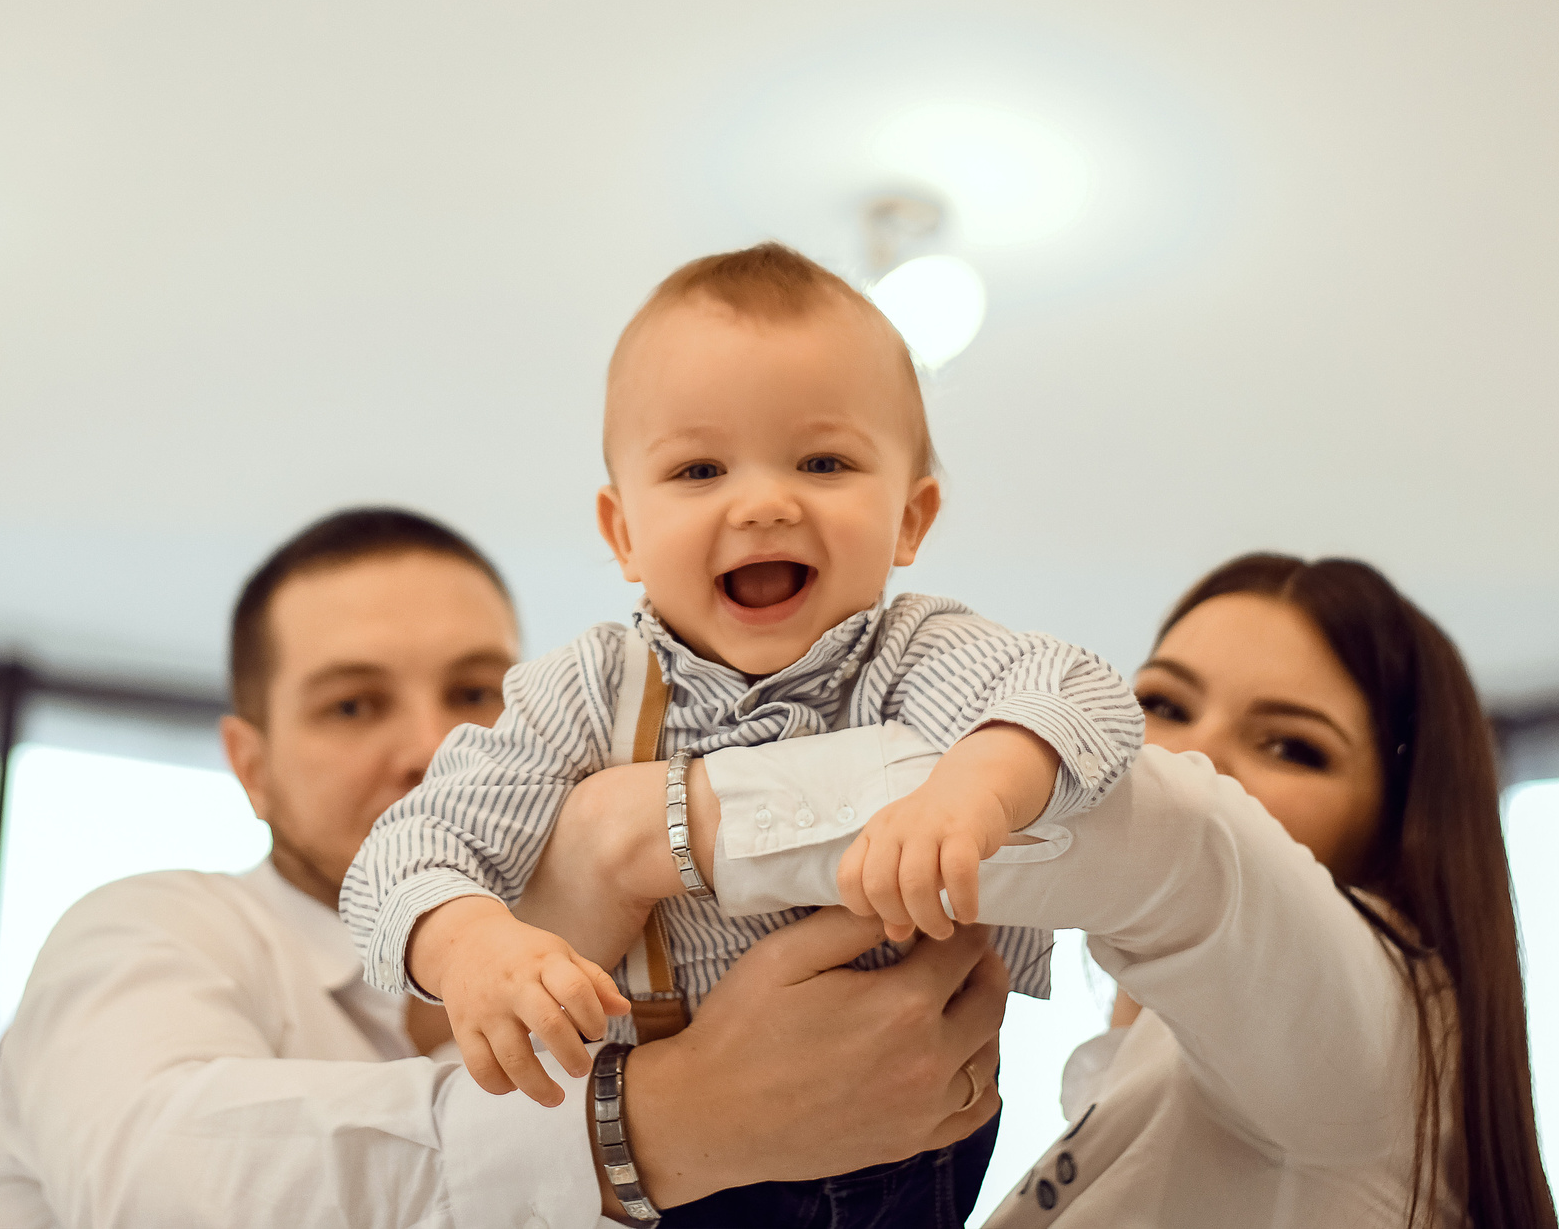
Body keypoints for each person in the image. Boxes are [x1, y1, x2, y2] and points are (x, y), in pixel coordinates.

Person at [340, 245, 1144, 1226]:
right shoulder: (590, 693)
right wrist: (471, 944)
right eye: (698, 468)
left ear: (910, 517)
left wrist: (972, 789)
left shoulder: (916, 654)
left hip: (917, 1137)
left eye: (823, 461)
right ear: (622, 530)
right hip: (685, 1161)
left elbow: (1081, 694)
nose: (763, 501)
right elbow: (402, 854)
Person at [0, 505, 1010, 1228]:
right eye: (352, 705)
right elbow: (162, 1186)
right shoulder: (151, 932)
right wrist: (677, 1119)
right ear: (253, 767)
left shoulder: (646, 964)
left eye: (473, 694)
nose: (430, 747)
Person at [531, 552, 1559, 1228]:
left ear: (1396, 827)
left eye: (1289, 744)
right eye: (1159, 704)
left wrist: (631, 831)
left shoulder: (1384, 1038)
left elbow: (1179, 830)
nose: (1195, 756)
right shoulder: (1121, 1093)